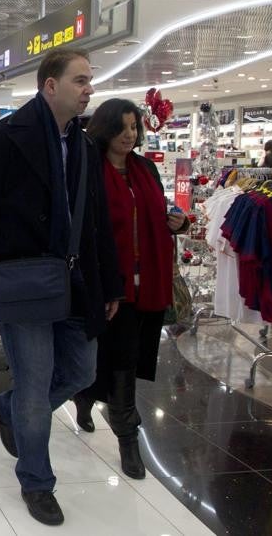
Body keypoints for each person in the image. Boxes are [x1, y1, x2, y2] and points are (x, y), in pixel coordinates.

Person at [0, 48, 122, 527]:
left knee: (80, 372)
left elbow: (96, 224)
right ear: (50, 85)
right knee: (34, 380)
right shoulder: (4, 137)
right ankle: (36, 480)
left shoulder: (86, 146)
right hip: (25, 279)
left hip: (75, 280)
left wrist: (110, 282)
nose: (90, 88)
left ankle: (8, 408)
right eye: (81, 80)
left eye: (90, 80)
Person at [72, 99, 189, 480]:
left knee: (126, 358)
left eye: (134, 128)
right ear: (105, 129)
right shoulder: (89, 168)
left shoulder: (145, 169)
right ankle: (127, 438)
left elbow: (157, 214)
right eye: (122, 127)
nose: (129, 135)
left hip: (149, 283)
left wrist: (178, 223)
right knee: (121, 360)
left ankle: (85, 396)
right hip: (111, 284)